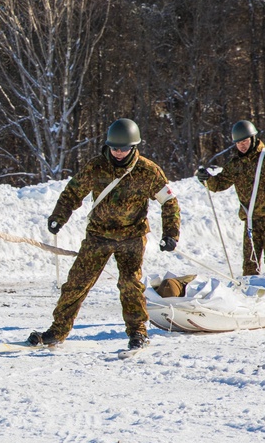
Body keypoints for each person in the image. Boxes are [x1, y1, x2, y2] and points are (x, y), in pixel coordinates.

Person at [29, 118, 180, 351]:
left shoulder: (148, 171)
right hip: (98, 236)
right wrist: (59, 216)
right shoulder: (96, 166)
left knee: (129, 284)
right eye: (114, 148)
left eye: (124, 149)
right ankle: (57, 331)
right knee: (76, 283)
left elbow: (169, 201)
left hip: (131, 237)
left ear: (134, 147)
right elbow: (73, 192)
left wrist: (171, 233)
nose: (118, 153)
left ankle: (138, 332)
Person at [195, 120, 265, 278]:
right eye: (238, 143)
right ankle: (251, 297)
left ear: (253, 139)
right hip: (251, 219)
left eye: (245, 141)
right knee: (250, 264)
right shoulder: (235, 164)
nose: (242, 146)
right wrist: (206, 179)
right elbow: (219, 184)